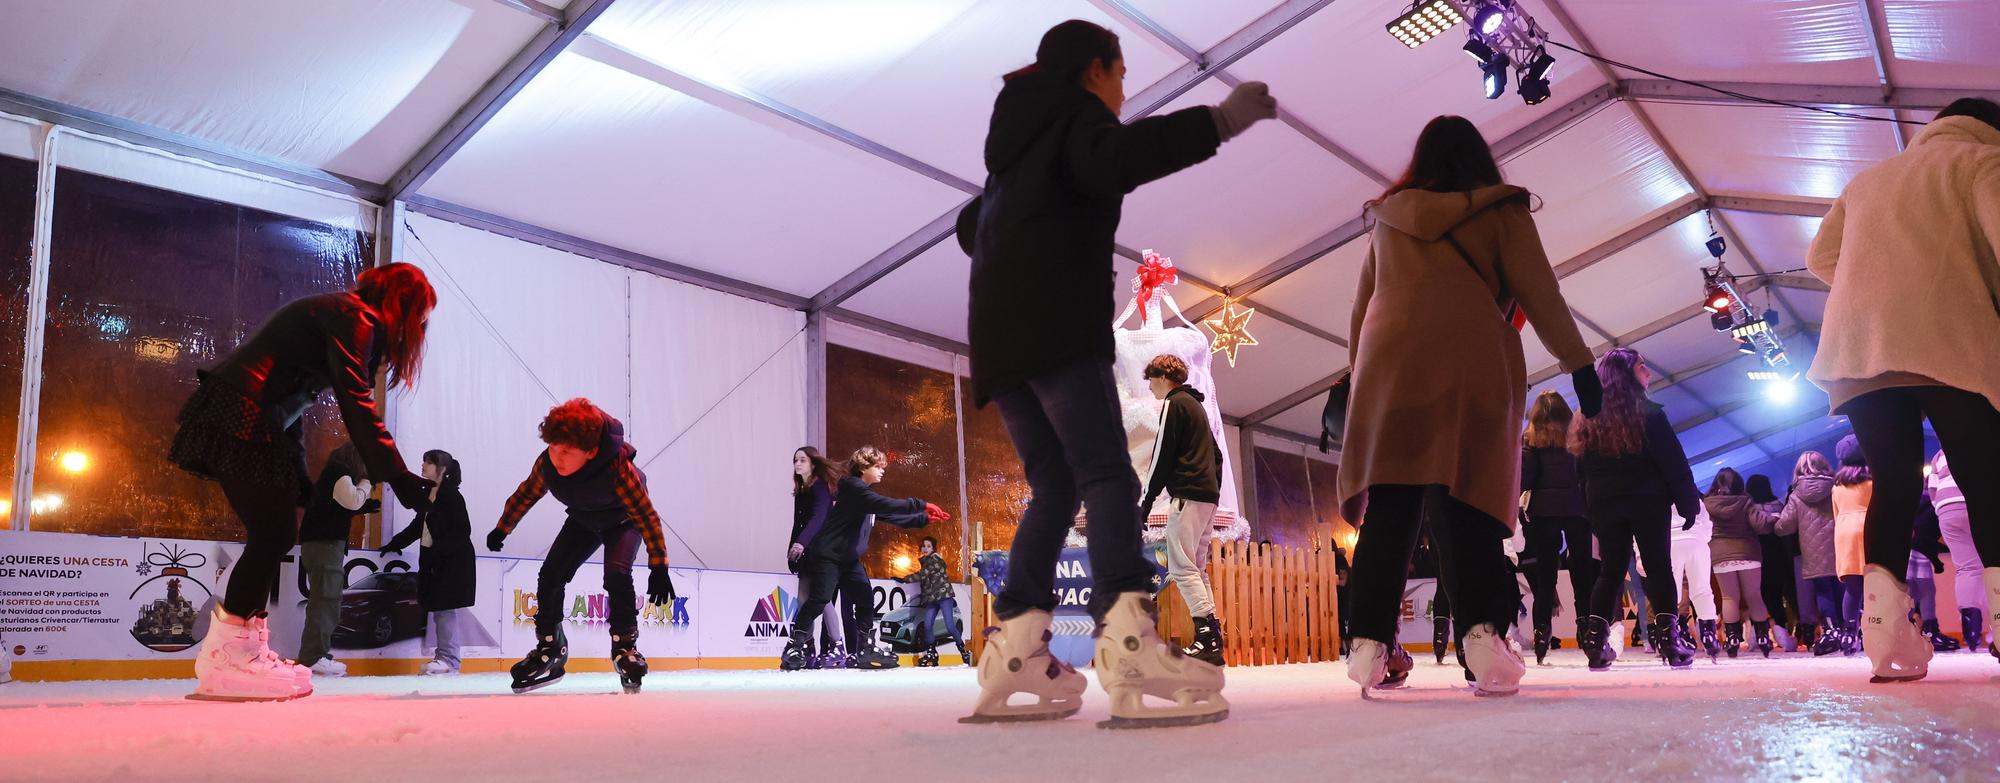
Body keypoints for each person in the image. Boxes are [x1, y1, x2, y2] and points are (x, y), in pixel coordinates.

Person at [958, 19, 1274, 727]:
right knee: (1108, 475)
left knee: (1056, 483)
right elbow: (1121, 155)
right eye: (1121, 73)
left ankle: (1015, 647)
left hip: (1000, 347)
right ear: (1094, 70)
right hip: (1056, 331)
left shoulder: (1013, 150)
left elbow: (968, 225)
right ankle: (1129, 640)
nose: (1124, 90)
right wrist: (1218, 121)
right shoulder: (1076, 122)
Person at [1336, 114, 1600, 700]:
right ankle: (1483, 640)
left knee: (1393, 500)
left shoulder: (1389, 216)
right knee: (1464, 495)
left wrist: (1360, 381)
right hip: (1467, 357)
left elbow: (1363, 307)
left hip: (1389, 360)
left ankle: (1368, 645)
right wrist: (1581, 363)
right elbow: (1541, 293)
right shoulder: (1500, 211)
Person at [167, 262, 437, 702]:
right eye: (420, 314)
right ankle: (228, 654)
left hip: (261, 415)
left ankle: (242, 645)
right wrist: (398, 474)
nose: (420, 327)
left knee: (274, 532)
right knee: (273, 532)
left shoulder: (347, 314)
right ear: (401, 302)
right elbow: (357, 403)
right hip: (245, 410)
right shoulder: (355, 316)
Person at [1806, 97, 2000, 680]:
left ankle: (1887, 644)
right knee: (1986, 476)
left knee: (1892, 483)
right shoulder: (1981, 162)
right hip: (1947, 339)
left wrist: (1880, 280)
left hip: (1862, 348)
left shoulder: (1869, 180)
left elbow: (1820, 257)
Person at [486, 398, 677, 694]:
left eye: (566, 451)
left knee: (616, 573)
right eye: (553, 447)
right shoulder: (547, 464)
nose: (557, 457)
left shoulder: (618, 470)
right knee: (551, 574)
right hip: (583, 520)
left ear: (591, 452)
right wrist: (503, 528)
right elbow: (527, 493)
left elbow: (646, 515)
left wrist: (659, 565)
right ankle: (550, 648)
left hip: (623, 523)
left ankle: (625, 647)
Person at [1571, 348, 1700, 671]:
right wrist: (1688, 503)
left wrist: (1589, 507)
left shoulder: (1589, 417)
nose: (1649, 373)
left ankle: (1593, 643)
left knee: (1610, 572)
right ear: (1628, 373)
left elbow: (1581, 470)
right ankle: (1671, 641)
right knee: (1658, 569)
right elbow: (1673, 462)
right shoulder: (1651, 413)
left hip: (1605, 504)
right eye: (1643, 367)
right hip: (1648, 502)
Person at [785, 447, 947, 671]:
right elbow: (885, 504)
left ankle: (866, 649)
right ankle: (795, 645)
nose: (882, 471)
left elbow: (888, 514)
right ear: (863, 467)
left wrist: (923, 519)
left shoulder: (864, 496)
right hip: (828, 556)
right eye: (878, 466)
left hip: (848, 559)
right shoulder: (853, 487)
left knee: (865, 598)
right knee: (819, 600)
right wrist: (921, 504)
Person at [1140, 354, 1227, 666]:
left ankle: (1208, 637)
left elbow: (1162, 455)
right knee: (1196, 568)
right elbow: (1216, 456)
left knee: (1181, 567)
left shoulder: (1175, 403)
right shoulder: (1197, 407)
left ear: (1163, 376)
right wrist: (1212, 489)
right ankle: (1212, 638)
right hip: (1206, 498)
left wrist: (1145, 504)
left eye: (1151, 379)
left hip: (1188, 496)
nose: (1150, 388)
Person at [1519, 391, 1598, 666]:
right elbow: (1587, 471)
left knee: (1545, 575)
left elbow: (1526, 478)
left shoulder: (1531, 440)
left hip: (1543, 512)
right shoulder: (1577, 434)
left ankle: (1542, 633)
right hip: (1577, 510)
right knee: (1582, 573)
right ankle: (1586, 629)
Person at [382, 450, 477, 675]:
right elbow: (419, 526)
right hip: (436, 562)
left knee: (444, 610)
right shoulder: (429, 494)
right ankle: (444, 656)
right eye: (424, 460)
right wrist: (396, 543)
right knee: (438, 609)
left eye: (429, 462)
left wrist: (439, 553)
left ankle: (450, 660)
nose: (423, 465)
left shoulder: (451, 496)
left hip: (451, 562)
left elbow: (462, 531)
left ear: (442, 469)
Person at [296, 442, 379, 678]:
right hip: (326, 544)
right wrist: (366, 483)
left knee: (324, 599)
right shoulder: (339, 473)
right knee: (326, 599)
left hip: (320, 543)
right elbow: (351, 500)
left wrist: (360, 508)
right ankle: (314, 657)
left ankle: (314, 655)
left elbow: (336, 507)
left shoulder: (331, 474)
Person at [1761, 451, 1844, 656]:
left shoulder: (1797, 494)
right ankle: (1849, 631)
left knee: (1823, 592)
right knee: (1842, 590)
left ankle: (1831, 630)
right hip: (1840, 547)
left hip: (1812, 552)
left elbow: (1784, 527)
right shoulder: (1837, 488)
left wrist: (1775, 521)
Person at [785, 446, 847, 670]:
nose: (797, 464)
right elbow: (798, 522)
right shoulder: (801, 491)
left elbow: (819, 517)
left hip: (820, 551)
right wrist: (792, 550)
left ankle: (837, 646)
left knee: (823, 600)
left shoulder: (820, 487)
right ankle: (807, 648)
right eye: (795, 461)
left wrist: (802, 542)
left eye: (802, 460)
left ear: (813, 463)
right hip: (806, 553)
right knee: (803, 601)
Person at [1705, 469, 1775, 658]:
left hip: (1720, 554)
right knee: (1754, 596)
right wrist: (1773, 519)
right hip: (1747, 552)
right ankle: (1762, 637)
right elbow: (1760, 525)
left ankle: (1733, 638)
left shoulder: (1707, 505)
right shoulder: (1745, 502)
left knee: (1729, 598)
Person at [1929, 452, 1990, 654]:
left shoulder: (1939, 455)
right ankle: (1995, 628)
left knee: (1966, 568)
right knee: (1993, 565)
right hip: (1977, 502)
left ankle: (1971, 630)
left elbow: (1932, 490)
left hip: (1946, 510)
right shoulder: (1984, 437)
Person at [1832, 436, 1876, 664]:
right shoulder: (1873, 481)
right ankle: (1876, 633)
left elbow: (1836, 513)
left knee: (1853, 589)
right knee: (1875, 586)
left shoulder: (1837, 486)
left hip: (1844, 533)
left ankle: (1849, 634)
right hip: (1868, 529)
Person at [1749, 474, 1802, 650]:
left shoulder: (1749, 509)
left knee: (1757, 595)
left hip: (1754, 556)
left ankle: (1757, 634)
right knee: (1776, 595)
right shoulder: (1778, 505)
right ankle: (1782, 632)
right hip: (1777, 556)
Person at [902, 536, 971, 667]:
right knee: (927, 626)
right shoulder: (926, 561)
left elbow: (922, 574)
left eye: (928, 546)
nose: (925, 548)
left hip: (944, 596)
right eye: (923, 546)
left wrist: (905, 579)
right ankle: (931, 653)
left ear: (933, 548)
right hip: (932, 598)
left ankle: (963, 651)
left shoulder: (934, 560)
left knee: (950, 626)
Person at [1673, 486, 1718, 660]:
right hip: (1697, 542)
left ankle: (1673, 633)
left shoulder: (1661, 497)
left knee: (1672, 591)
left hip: (1671, 543)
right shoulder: (1695, 499)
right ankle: (1708, 634)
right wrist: (1700, 539)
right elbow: (1708, 527)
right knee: (1702, 589)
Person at [1907, 500, 1958, 652]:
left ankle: (1905, 632)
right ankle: (1930, 632)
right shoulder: (1934, 510)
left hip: (1907, 552)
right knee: (1926, 592)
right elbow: (1930, 539)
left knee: (1910, 594)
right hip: (1919, 553)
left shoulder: (1916, 507)